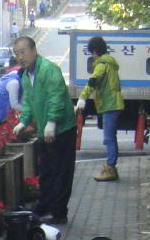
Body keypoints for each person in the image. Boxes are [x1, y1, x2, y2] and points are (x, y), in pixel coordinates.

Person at [12, 35, 75, 225]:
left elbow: (56, 97)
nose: (20, 57)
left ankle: (59, 213)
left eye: (23, 52)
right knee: (46, 171)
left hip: (62, 129)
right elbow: (29, 103)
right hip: (44, 132)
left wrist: (52, 122)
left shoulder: (49, 70)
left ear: (33, 51)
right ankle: (45, 205)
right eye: (17, 54)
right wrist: (23, 121)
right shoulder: (25, 76)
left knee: (61, 172)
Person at [78, 35, 125, 182]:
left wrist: (82, 97)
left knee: (109, 138)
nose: (91, 55)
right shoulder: (110, 63)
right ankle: (111, 167)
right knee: (111, 137)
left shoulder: (101, 64)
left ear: (95, 52)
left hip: (109, 104)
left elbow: (93, 81)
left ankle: (110, 168)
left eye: (91, 52)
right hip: (113, 103)